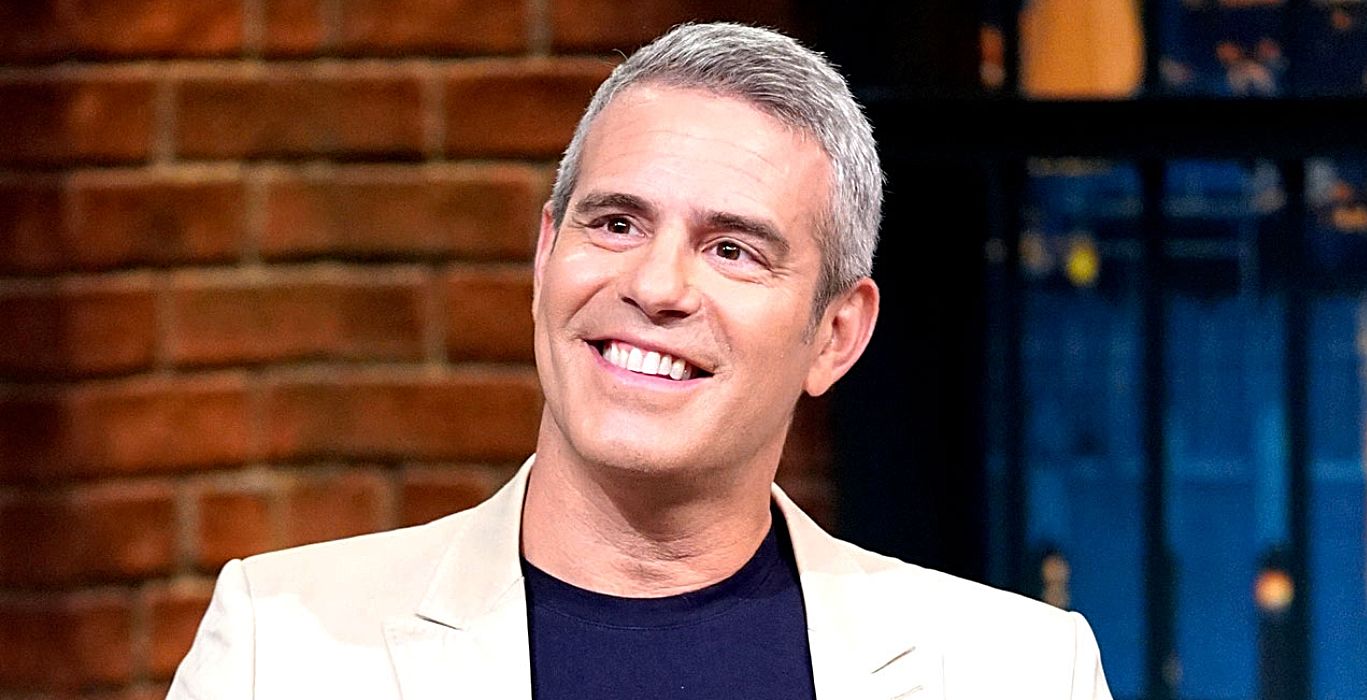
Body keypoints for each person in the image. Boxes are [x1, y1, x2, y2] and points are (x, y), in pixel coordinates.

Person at [168, 22, 1113, 700]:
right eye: (616, 223)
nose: (656, 286)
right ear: (546, 257)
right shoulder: (278, 642)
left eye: (733, 249)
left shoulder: (1018, 670)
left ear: (836, 334)